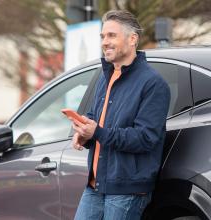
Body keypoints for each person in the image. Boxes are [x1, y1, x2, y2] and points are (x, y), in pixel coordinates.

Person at [71, 10, 171, 220]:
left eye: (111, 35)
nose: (104, 42)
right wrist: (84, 132)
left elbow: (145, 138)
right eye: (102, 36)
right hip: (96, 185)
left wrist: (97, 132)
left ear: (132, 38)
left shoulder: (153, 84)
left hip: (127, 188)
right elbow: (94, 118)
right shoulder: (105, 77)